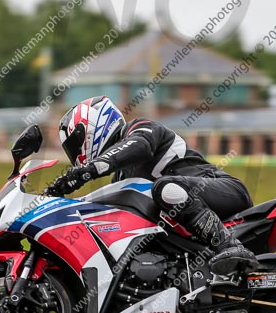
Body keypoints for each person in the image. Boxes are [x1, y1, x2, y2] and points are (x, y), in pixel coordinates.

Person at [48, 95, 259, 275]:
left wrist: (88, 171)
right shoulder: (121, 177)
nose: (77, 156)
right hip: (189, 216)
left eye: (76, 144)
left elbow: (140, 146)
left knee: (164, 188)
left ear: (94, 126)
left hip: (226, 190)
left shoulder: (140, 128)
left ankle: (229, 245)